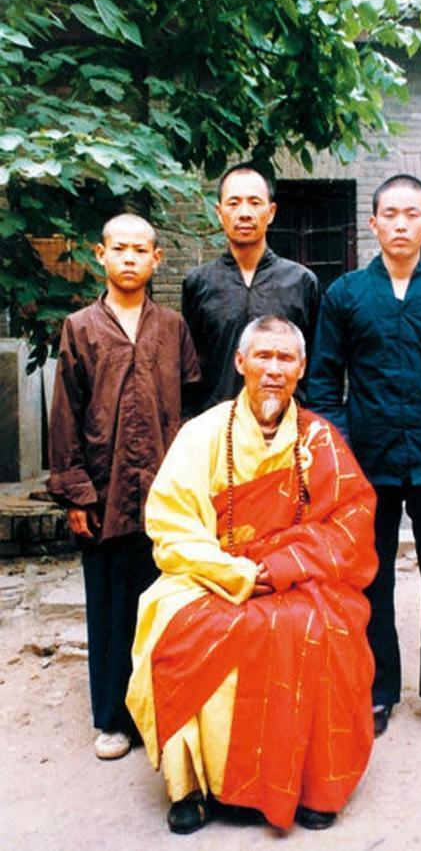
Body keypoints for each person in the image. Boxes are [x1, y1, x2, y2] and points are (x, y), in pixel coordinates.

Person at [126, 315, 377, 835]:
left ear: (302, 368)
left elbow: (351, 521)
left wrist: (279, 567)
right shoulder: (202, 434)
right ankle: (191, 787)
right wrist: (234, 572)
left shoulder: (321, 439)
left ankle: (314, 785)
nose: (273, 369)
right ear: (241, 362)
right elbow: (172, 526)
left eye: (286, 358)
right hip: (211, 572)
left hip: (297, 577)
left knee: (324, 628)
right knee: (174, 625)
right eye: (263, 356)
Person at [307, 174, 421, 739]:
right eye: (390, 214)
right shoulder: (345, 296)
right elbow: (323, 382)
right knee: (371, 579)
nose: (400, 224)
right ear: (373, 223)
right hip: (369, 460)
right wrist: (341, 452)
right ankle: (376, 690)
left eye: (412, 214)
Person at [47, 214, 201, 761]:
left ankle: (158, 712)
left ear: (157, 259)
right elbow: (66, 413)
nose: (130, 258)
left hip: (164, 489)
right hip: (105, 490)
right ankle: (113, 718)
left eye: (140, 250)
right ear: (101, 255)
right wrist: (75, 492)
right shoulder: (80, 327)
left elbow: (190, 404)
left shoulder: (173, 328)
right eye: (120, 248)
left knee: (163, 602)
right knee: (110, 606)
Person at [182, 164, 320, 412]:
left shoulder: (301, 282)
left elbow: (315, 366)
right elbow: (190, 368)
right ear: (219, 212)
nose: (244, 213)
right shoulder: (199, 283)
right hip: (217, 421)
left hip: (285, 422)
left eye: (255, 203)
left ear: (271, 212)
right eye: (234, 203)